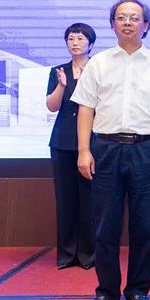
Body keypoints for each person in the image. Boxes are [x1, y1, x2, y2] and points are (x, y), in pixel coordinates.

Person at [71, 0, 150, 300]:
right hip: (105, 148)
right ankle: (107, 291)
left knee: (144, 226)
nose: (128, 22)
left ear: (146, 25)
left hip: (146, 149)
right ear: (112, 24)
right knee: (105, 226)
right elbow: (86, 108)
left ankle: (137, 289)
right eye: (121, 17)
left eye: (135, 18)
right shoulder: (99, 63)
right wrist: (83, 150)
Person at [45, 23, 97, 270]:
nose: (75, 43)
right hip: (63, 142)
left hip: (93, 141)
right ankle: (67, 254)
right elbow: (52, 106)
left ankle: (88, 254)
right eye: (71, 39)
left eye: (80, 38)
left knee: (90, 200)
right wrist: (62, 85)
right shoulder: (58, 71)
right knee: (65, 199)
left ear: (90, 43)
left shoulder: (98, 68)